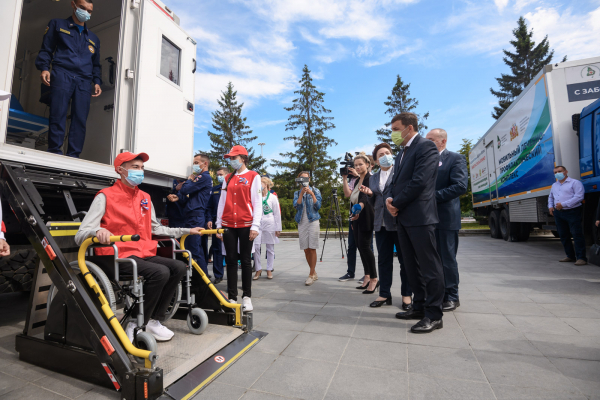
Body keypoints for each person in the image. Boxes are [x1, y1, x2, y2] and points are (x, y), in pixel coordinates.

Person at [74, 152, 205, 342]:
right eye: (135, 167)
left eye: (142, 168)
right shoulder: (105, 196)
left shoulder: (145, 197)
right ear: (120, 170)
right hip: (115, 255)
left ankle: (153, 320)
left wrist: (187, 230)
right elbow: (81, 234)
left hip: (142, 253)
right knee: (160, 272)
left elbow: (155, 228)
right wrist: (97, 232)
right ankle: (136, 322)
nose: (140, 171)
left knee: (178, 267)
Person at [387, 112, 445, 334]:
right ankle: (419, 306)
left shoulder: (425, 147)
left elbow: (420, 181)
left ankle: (434, 314)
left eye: (396, 128)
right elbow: (395, 181)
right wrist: (391, 200)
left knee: (429, 267)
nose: (393, 133)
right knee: (411, 266)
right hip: (403, 217)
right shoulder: (402, 152)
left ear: (409, 128)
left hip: (420, 217)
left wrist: (397, 203)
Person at [35, 0, 102, 158]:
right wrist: (44, 68)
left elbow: (96, 64)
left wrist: (97, 81)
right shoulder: (57, 24)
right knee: (58, 113)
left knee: (79, 119)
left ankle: (73, 156)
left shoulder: (93, 38)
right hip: (62, 73)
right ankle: (54, 152)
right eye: (82, 8)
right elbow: (47, 49)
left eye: (89, 11)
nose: (86, 12)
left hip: (84, 81)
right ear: (73, 5)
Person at [360, 143, 412, 308]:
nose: (384, 156)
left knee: (405, 261)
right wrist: (369, 194)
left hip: (398, 223)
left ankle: (406, 295)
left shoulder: (400, 172)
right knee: (383, 260)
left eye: (387, 153)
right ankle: (384, 295)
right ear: (375, 160)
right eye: (380, 154)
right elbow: (375, 201)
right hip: (380, 224)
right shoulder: (373, 177)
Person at [426, 129, 468, 312]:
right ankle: (437, 294)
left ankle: (452, 296)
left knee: (447, 259)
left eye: (431, 140)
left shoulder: (455, 159)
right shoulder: (426, 161)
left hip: (446, 218)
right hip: (427, 218)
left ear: (442, 142)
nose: (426, 143)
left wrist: (431, 197)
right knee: (432, 260)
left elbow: (460, 186)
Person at [215, 146, 262, 311]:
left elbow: (257, 202)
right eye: (230, 158)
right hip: (228, 224)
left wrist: (255, 225)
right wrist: (218, 224)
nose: (231, 161)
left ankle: (247, 296)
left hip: (246, 224)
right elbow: (222, 201)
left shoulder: (253, 176)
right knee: (231, 260)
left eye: (234, 158)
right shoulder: (227, 178)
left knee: (246, 260)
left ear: (243, 158)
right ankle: (233, 297)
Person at [177, 154, 213, 275]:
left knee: (194, 249)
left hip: (196, 216)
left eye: (197, 162)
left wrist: (189, 180)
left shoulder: (203, 177)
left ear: (205, 164)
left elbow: (185, 190)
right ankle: (199, 277)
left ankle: (203, 279)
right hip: (193, 215)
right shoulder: (201, 178)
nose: (195, 165)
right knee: (192, 247)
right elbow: (192, 197)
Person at [350, 153, 377, 294]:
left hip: (367, 216)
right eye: (356, 165)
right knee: (360, 247)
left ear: (368, 164)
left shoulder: (371, 179)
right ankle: (367, 276)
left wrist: (359, 208)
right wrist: (354, 213)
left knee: (366, 247)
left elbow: (365, 198)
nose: (358, 167)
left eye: (360, 164)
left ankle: (374, 278)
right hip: (357, 217)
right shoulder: (356, 181)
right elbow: (353, 198)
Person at [549, 166, 587, 265]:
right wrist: (550, 206)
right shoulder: (554, 185)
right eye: (555, 172)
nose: (557, 173)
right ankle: (570, 256)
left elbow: (579, 197)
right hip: (558, 213)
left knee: (576, 234)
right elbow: (551, 197)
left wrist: (563, 204)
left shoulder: (575, 183)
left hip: (572, 212)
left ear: (566, 172)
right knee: (563, 235)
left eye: (560, 171)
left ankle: (581, 258)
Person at [293, 172, 322, 286]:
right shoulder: (297, 192)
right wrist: (301, 194)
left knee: (312, 247)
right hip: (302, 221)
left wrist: (312, 194)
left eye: (306, 178)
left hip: (313, 221)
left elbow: (318, 206)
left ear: (309, 179)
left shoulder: (316, 190)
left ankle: (311, 274)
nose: (304, 179)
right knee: (306, 249)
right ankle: (314, 272)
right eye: (302, 178)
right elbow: (297, 205)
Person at [253, 177, 282, 280]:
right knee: (256, 247)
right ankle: (258, 269)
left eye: (260, 183)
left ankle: (269, 269)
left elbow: (277, 213)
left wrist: (278, 227)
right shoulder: (256, 197)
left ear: (265, 184)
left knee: (270, 248)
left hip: (270, 223)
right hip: (257, 223)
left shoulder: (273, 197)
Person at [206, 166, 228, 284]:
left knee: (231, 249)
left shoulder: (231, 189)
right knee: (217, 248)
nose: (219, 177)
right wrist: (209, 219)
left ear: (227, 175)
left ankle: (231, 273)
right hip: (216, 222)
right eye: (218, 175)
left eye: (221, 174)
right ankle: (218, 275)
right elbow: (209, 207)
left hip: (229, 222)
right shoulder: (214, 189)